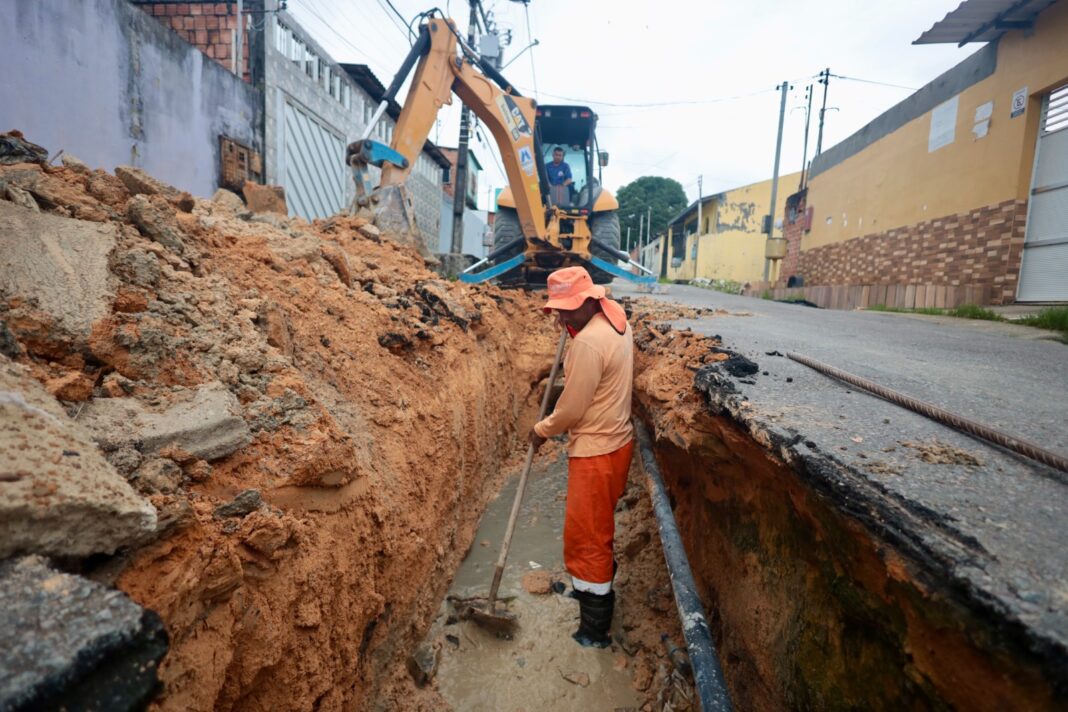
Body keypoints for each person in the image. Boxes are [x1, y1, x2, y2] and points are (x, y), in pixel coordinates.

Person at [530, 266, 634, 648]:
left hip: (596, 451)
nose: (559, 317)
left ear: (590, 302)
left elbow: (570, 410)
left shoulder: (589, 344)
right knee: (595, 530)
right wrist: (576, 327)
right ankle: (589, 592)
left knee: (587, 539)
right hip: (616, 443)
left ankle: (594, 630)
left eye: (566, 310)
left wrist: (540, 430)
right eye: (557, 309)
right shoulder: (616, 319)